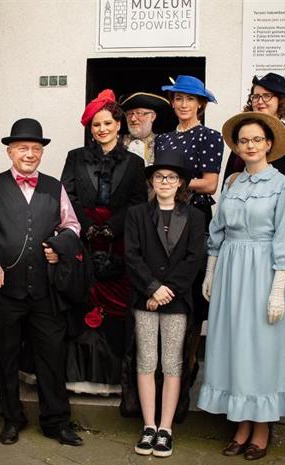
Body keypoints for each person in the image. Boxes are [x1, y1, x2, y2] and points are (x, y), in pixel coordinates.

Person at [0, 118, 83, 446]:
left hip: (46, 289)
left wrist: (59, 248)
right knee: (5, 356)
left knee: (52, 355)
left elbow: (72, 226)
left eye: (35, 148)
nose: (29, 154)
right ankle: (11, 418)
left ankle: (56, 421)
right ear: (10, 152)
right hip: (4, 288)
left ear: (42, 153)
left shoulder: (55, 187)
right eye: (22, 148)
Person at [197, 111, 285, 461]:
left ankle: (262, 427)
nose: (250, 145)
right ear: (237, 147)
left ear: (268, 143)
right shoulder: (232, 183)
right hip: (230, 269)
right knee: (233, 344)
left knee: (262, 347)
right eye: (244, 141)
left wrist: (278, 289)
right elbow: (218, 231)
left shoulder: (284, 186)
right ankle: (240, 423)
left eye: (256, 139)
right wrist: (211, 272)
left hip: (264, 271)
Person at [61, 89, 147, 397]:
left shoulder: (135, 163)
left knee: (116, 308)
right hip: (83, 239)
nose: (102, 129)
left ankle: (112, 378)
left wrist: (112, 227)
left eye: (108, 123)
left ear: (118, 125)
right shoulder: (75, 157)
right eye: (96, 124)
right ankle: (78, 375)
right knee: (81, 299)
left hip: (119, 243)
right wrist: (87, 227)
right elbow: (67, 195)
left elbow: (138, 202)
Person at [124, 150, 205, 457]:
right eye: (159, 176)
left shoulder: (195, 217)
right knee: (146, 361)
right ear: (152, 181)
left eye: (171, 177)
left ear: (181, 182)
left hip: (176, 300)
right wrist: (152, 288)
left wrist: (167, 290)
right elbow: (131, 255)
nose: (165, 182)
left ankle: (166, 428)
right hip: (145, 298)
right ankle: (148, 426)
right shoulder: (137, 214)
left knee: (172, 363)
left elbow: (194, 259)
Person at [155, 75, 224, 421]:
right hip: (163, 219)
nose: (183, 104)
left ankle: (186, 377)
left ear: (201, 104)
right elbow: (156, 181)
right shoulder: (163, 138)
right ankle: (160, 384)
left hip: (195, 220)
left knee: (189, 301)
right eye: (178, 98)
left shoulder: (210, 136)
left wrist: (174, 183)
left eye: (190, 99)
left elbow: (210, 184)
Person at [223, 72, 285, 325]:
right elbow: (229, 183)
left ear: (281, 101)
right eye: (255, 96)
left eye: (267, 96)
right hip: (242, 240)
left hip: (278, 240)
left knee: (270, 315)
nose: (260, 101)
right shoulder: (242, 140)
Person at [120, 92, 175, 165]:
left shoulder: (163, 144)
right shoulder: (117, 142)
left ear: (152, 117)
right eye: (129, 114)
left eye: (139, 113)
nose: (133, 119)